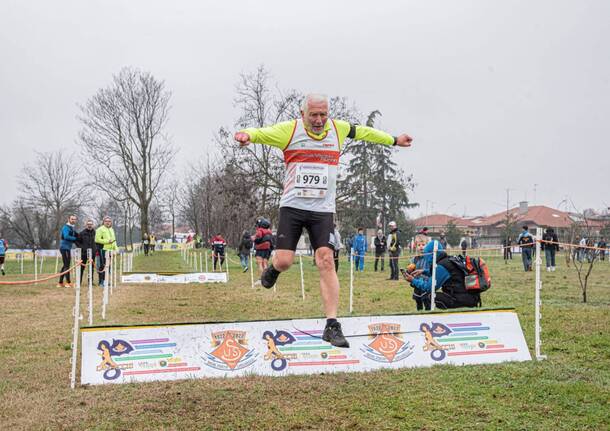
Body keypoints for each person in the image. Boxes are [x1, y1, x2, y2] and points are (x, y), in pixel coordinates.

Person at [234, 93, 412, 347]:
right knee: (284, 261)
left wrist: (394, 140)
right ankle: (273, 270)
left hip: (322, 210)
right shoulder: (289, 131)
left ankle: (332, 324)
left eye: (323, 115)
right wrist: (246, 135)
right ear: (302, 113)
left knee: (326, 260)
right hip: (292, 207)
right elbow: (262, 132)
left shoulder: (337, 130)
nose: (319, 121)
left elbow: (364, 133)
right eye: (313, 115)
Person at [404, 241, 481, 310]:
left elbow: (429, 287)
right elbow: (439, 274)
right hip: (471, 297)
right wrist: (423, 271)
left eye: (426, 254)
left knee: (429, 297)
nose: (425, 256)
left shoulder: (441, 266)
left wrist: (413, 280)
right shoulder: (447, 260)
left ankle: (445, 318)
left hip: (461, 299)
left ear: (432, 254)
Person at [95, 216, 119, 287]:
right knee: (102, 266)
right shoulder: (100, 229)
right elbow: (97, 240)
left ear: (111, 222)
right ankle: (101, 282)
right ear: (103, 222)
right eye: (106, 221)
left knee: (108, 266)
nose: (108, 222)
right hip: (103, 249)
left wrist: (116, 249)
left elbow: (114, 240)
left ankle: (106, 281)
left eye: (109, 221)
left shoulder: (111, 229)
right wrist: (107, 241)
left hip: (110, 250)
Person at [58, 215, 78, 288]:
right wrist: (75, 239)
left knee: (65, 265)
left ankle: (60, 283)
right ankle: (68, 283)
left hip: (67, 248)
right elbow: (66, 236)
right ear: (68, 219)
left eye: (74, 219)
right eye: (72, 219)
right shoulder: (66, 227)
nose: (73, 220)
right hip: (64, 248)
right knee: (67, 265)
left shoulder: (71, 228)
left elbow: (77, 235)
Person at [76, 219, 97, 284]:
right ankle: (79, 282)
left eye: (91, 224)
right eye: (88, 224)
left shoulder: (95, 233)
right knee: (82, 268)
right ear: (86, 225)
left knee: (91, 268)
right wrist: (82, 248)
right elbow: (77, 241)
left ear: (93, 225)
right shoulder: (82, 233)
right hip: (84, 253)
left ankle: (90, 282)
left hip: (92, 253)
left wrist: (96, 249)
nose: (89, 226)